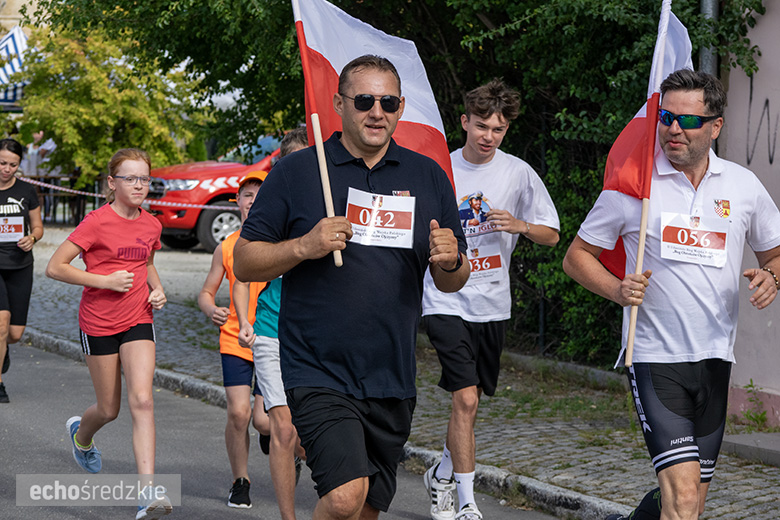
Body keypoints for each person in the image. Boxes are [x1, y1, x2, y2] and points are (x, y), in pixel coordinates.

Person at [233, 55, 469, 520]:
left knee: (365, 509)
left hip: (391, 373)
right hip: (317, 368)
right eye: (364, 100)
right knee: (343, 497)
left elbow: (453, 278)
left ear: (401, 107)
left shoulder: (427, 176)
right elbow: (243, 261)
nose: (376, 112)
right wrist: (304, 245)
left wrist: (452, 259)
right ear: (339, 104)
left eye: (387, 102)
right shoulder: (299, 172)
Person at [562, 69, 780, 520]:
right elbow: (576, 256)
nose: (673, 129)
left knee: (689, 501)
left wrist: (772, 277)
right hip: (655, 357)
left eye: (688, 121)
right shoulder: (634, 186)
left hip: (715, 359)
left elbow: (776, 254)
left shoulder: (741, 186)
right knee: (682, 498)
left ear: (716, 126)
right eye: (666, 117)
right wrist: (618, 290)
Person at [421, 79, 560, 520]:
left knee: (472, 400)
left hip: (491, 302)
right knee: (465, 399)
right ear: (464, 122)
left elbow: (552, 235)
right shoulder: (438, 168)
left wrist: (519, 225)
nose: (488, 137)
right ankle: (466, 502)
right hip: (443, 297)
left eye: (498, 130)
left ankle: (442, 472)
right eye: (481, 126)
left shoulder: (518, 173)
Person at [45, 148, 172, 520]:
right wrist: (104, 280)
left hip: (138, 319)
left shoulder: (152, 224)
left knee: (143, 401)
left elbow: (147, 262)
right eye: (130, 178)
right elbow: (55, 267)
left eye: (144, 178)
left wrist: (157, 289)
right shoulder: (96, 222)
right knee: (109, 408)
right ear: (112, 183)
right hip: (98, 323)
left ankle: (147, 492)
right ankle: (81, 435)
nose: (138, 185)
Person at [235, 126, 309, 520]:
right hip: (272, 328)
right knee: (281, 428)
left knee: (304, 433)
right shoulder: (269, 209)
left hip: (321, 330)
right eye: (290, 162)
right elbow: (242, 272)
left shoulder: (335, 204)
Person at [197, 169, 271, 509]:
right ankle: (240, 481)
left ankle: (273, 437)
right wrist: (211, 308)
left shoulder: (278, 244)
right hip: (234, 339)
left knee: (264, 421)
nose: (253, 200)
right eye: (247, 194)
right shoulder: (226, 247)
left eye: (260, 193)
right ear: (237, 202)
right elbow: (206, 293)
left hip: (272, 337)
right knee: (239, 414)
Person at [0, 138, 44, 404]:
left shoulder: (27, 191)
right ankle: (0, 384)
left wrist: (33, 238)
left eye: (12, 164)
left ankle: (2, 346)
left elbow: (37, 226)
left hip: (20, 266)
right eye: (2, 163)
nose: (7, 169)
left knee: (14, 334)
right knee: (1, 320)